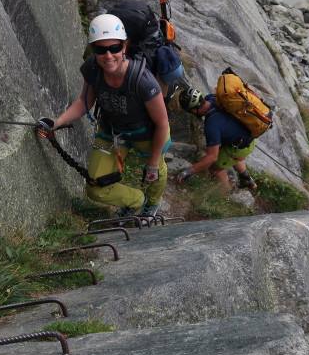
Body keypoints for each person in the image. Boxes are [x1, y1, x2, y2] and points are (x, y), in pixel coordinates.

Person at [38, 14, 170, 218]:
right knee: (96, 187)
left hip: (147, 133)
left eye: (114, 48)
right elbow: (84, 101)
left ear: (124, 46)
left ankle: (152, 204)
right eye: (101, 49)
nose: (108, 56)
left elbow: (162, 123)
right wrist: (57, 122)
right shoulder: (92, 68)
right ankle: (136, 201)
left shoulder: (143, 81)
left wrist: (153, 162)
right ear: (94, 50)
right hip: (112, 131)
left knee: (155, 173)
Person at [175, 87, 257, 190]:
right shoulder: (213, 98)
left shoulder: (211, 126)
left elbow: (212, 157)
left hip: (239, 147)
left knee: (214, 167)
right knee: (225, 153)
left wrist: (189, 171)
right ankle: (246, 179)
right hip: (247, 136)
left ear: (193, 110)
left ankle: (225, 194)